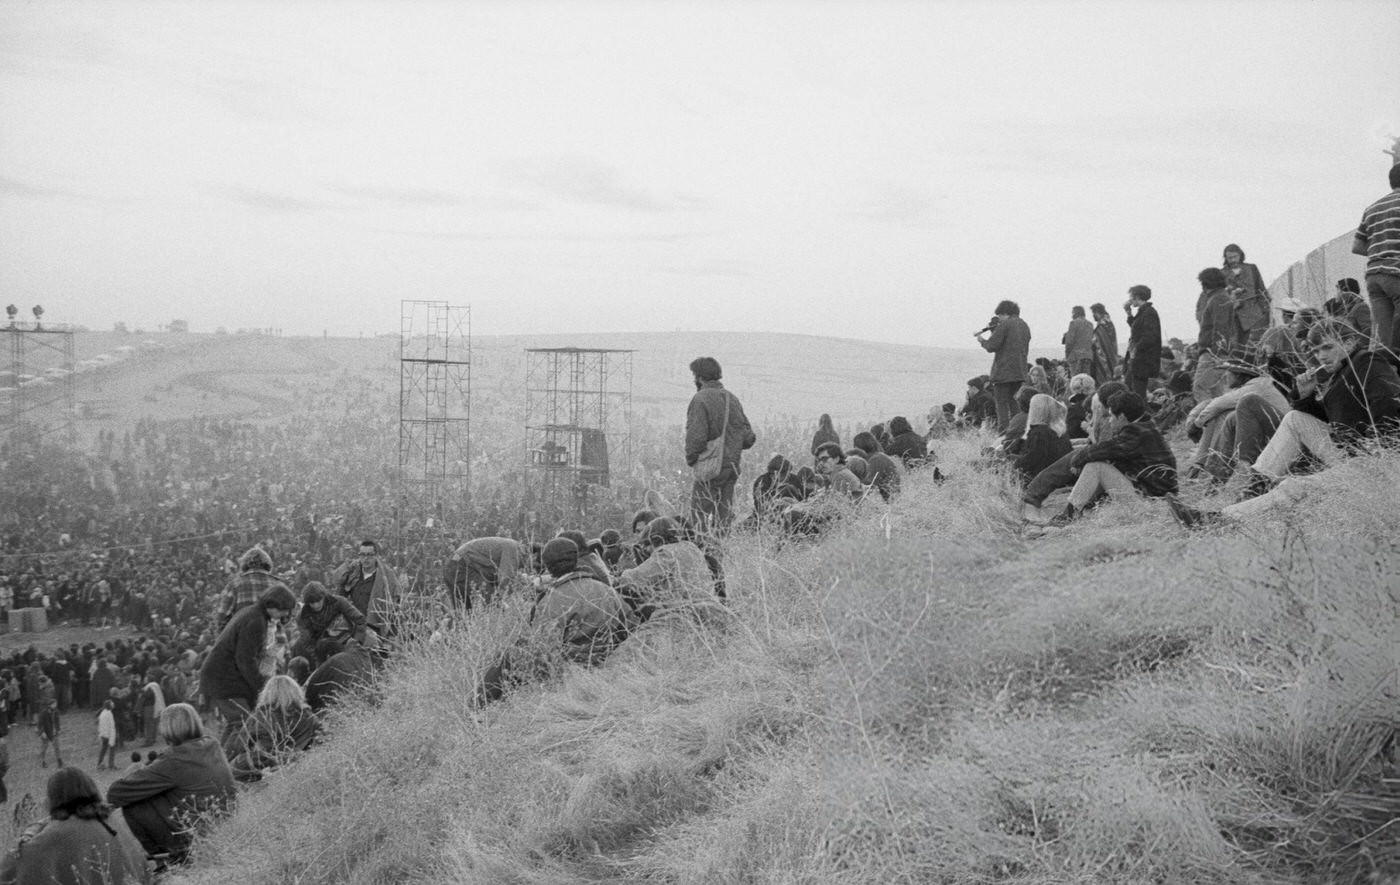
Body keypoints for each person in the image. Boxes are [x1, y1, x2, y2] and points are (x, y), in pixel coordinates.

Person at [1169, 320, 1400, 527]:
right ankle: (1256, 486)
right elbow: (1330, 417)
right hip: (1351, 452)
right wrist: (1306, 396)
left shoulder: (1368, 361)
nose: (1320, 356)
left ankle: (1222, 520)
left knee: (1294, 486)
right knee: (1294, 417)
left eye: (1328, 347)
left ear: (1349, 343)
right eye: (1317, 350)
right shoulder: (1341, 370)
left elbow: (1388, 406)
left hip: (1374, 460)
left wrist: (1376, 450)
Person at [476, 539, 629, 705]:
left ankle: (477, 708)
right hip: (607, 660)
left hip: (573, 668)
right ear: (576, 560)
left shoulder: (554, 600)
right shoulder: (606, 590)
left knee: (507, 658)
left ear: (547, 567)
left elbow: (543, 650)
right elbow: (629, 624)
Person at [106, 703, 236, 866]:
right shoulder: (212, 743)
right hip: (227, 823)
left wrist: (138, 773)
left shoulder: (175, 758)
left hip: (199, 832)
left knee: (134, 802)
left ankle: (166, 859)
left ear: (167, 729)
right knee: (150, 792)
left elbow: (117, 793)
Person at [0, 766, 149, 885]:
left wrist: (30, 831)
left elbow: (11, 867)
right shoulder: (109, 818)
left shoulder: (57, 832)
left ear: (54, 797)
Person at [1047, 392, 1178, 525]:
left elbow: (1099, 450)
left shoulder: (1134, 433)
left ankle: (1068, 517)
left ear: (1121, 417)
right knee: (1102, 465)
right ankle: (1074, 513)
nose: (1109, 421)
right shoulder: (1147, 425)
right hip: (1159, 499)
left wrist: (1076, 461)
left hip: (1150, 504)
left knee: (1096, 466)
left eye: (1111, 416)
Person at [198, 584, 297, 755]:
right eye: (284, 610)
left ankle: (220, 760)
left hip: (222, 675)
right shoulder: (255, 621)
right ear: (273, 605)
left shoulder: (252, 613)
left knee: (238, 722)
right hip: (224, 678)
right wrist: (261, 688)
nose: (286, 615)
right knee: (242, 722)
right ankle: (226, 766)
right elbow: (245, 660)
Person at [1184, 353, 1289, 483]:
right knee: (1225, 414)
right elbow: (1214, 402)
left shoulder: (1257, 386)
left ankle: (1208, 468)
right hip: (1272, 432)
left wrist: (1196, 425)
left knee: (1224, 414)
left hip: (1280, 438)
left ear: (1239, 375)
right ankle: (1208, 469)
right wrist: (1195, 419)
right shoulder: (1255, 384)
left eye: (1229, 373)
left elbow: (1218, 404)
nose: (1225, 376)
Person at [684, 356, 757, 532]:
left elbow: (697, 438)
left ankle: (701, 555)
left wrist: (692, 458)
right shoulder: (733, 399)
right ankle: (720, 555)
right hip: (731, 468)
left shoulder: (700, 399)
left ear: (699, 377)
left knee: (699, 521)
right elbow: (749, 438)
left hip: (710, 468)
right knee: (723, 523)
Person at [616, 517, 718, 625]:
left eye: (647, 544)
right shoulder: (691, 547)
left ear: (656, 539)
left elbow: (633, 579)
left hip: (685, 615)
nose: (645, 550)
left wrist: (621, 572)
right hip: (711, 610)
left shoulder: (666, 553)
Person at [229, 675, 319, 782]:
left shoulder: (261, 715)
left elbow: (240, 745)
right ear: (296, 692)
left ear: (267, 694)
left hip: (264, 762)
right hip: (295, 761)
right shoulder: (308, 716)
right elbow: (320, 738)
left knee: (235, 766)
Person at [1351, 163, 1400, 351]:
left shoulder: (1372, 208)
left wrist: (1381, 252)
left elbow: (1357, 246)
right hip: (1396, 272)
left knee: (1387, 341)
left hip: (1374, 277)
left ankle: (1392, 374)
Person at [975, 301, 1032, 431]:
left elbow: (992, 346)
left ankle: (1003, 432)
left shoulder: (1005, 325)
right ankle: (1017, 429)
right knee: (1014, 402)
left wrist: (982, 340)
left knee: (1001, 404)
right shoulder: (1024, 325)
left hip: (1003, 372)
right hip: (1019, 371)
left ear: (1006, 313)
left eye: (1000, 315)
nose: (999, 318)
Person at [331, 540, 400, 640]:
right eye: (362, 555)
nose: (366, 558)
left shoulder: (386, 577)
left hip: (374, 628)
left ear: (376, 556)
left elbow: (394, 603)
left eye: (370, 555)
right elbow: (340, 592)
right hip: (353, 625)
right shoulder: (354, 573)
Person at [1193, 267, 1242, 404]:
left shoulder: (1218, 299)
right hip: (1216, 352)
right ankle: (1220, 424)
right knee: (1216, 393)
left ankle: (1207, 422)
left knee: (1201, 387)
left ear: (1205, 283)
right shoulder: (1220, 298)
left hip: (1212, 353)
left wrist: (1217, 354)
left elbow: (1221, 328)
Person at [213, 546, 288, 630]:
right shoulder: (279, 585)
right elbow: (286, 618)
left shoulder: (234, 585)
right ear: (268, 565)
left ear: (245, 565)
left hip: (244, 639)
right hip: (275, 640)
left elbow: (221, 617)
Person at [443, 536, 530, 609]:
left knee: (464, 615)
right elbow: (505, 578)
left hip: (452, 566)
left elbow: (501, 577)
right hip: (461, 567)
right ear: (533, 555)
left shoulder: (509, 548)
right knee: (494, 604)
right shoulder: (513, 547)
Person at [293, 582, 365, 666]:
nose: (316, 605)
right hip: (322, 648)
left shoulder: (339, 602)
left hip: (347, 639)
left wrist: (356, 642)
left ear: (324, 597)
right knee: (299, 645)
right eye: (312, 603)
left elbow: (360, 620)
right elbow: (307, 643)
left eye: (319, 601)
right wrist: (320, 660)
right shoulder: (302, 616)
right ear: (307, 603)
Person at [1013, 394, 1073, 484]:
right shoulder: (1059, 429)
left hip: (1041, 479)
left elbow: (1031, 460)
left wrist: (1011, 461)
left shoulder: (1039, 432)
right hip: (1057, 475)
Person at [1222, 244, 1269, 345]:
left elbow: (1261, 289)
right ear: (1226, 258)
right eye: (1230, 258)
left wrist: (1264, 310)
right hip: (1234, 318)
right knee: (1236, 348)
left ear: (1240, 255)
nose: (1233, 260)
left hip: (1254, 315)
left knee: (1256, 345)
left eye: (1235, 257)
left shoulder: (1251, 268)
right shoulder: (1222, 273)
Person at [1122, 286, 1162, 398]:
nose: (1129, 300)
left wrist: (1136, 349)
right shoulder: (1144, 312)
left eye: (1131, 297)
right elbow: (1137, 329)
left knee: (1136, 392)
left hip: (1142, 360)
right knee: (1132, 389)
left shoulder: (1149, 312)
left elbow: (1150, 336)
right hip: (1138, 359)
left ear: (1137, 297)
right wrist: (1129, 314)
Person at [851, 431, 901, 501]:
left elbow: (867, 486)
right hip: (890, 499)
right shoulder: (877, 457)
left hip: (890, 502)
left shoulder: (876, 460)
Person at [1089, 303, 1119, 385]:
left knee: (1106, 376)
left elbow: (1099, 341)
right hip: (1111, 354)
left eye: (1093, 313)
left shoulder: (1103, 324)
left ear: (1097, 312)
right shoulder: (1107, 322)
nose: (1093, 316)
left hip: (1104, 356)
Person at [1062, 306, 1095, 376]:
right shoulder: (1090, 324)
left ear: (1076, 313)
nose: (1072, 315)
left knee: (1076, 380)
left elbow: (1069, 342)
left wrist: (1067, 355)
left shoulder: (1073, 323)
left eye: (1072, 313)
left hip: (1076, 356)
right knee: (1085, 379)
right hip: (1087, 356)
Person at [38, 699, 62, 769]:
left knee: (57, 747)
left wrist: (58, 729)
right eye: (54, 704)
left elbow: (57, 721)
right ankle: (43, 761)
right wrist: (42, 732)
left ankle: (59, 760)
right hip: (46, 732)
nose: (55, 705)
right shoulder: (44, 713)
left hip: (54, 732)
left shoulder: (56, 712)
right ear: (50, 705)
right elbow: (40, 724)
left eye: (55, 704)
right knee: (44, 748)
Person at [97, 700, 118, 770]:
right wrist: (112, 738)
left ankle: (99, 763)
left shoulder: (102, 713)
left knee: (103, 750)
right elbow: (111, 726)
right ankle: (111, 765)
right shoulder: (109, 713)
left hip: (103, 735)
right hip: (108, 735)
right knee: (112, 750)